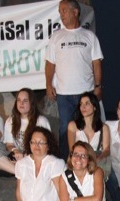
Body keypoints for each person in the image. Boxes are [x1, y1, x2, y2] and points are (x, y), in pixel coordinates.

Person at [45, 0, 103, 158]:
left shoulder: (89, 36)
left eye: (64, 10)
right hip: (63, 94)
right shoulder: (56, 37)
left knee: (87, 127)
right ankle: (66, 161)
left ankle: (90, 159)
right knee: (65, 129)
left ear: (75, 11)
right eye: (60, 11)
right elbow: (50, 64)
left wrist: (98, 86)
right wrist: (48, 84)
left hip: (86, 93)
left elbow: (96, 63)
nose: (61, 15)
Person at [0, 88, 51, 176]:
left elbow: (46, 147)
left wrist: (26, 156)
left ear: (31, 103)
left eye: (25, 101)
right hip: (16, 156)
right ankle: (20, 172)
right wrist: (16, 151)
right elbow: (9, 145)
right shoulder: (11, 120)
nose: (21, 103)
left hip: (34, 155)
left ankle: (16, 168)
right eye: (19, 100)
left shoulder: (41, 121)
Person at [67, 92, 110, 170]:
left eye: (87, 104)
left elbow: (106, 150)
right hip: (79, 162)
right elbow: (71, 149)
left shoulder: (104, 127)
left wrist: (98, 159)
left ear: (94, 107)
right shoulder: (73, 125)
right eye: (81, 104)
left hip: (97, 163)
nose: (83, 107)